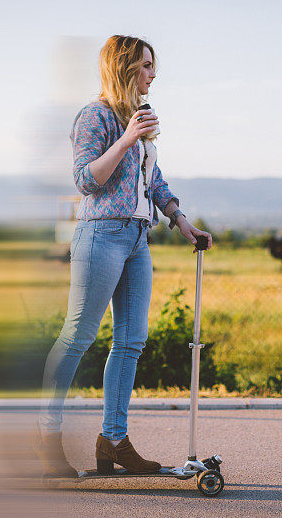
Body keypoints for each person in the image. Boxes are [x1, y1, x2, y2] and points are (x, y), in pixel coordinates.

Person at [37, 34, 213, 477]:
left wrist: (181, 220)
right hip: (100, 235)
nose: (154, 74)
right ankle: (45, 437)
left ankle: (112, 441)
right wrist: (127, 138)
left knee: (131, 341)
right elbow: (85, 180)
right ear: (125, 66)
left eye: (154, 66)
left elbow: (152, 181)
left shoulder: (140, 119)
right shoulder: (94, 115)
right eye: (147, 65)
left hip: (137, 238)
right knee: (77, 336)